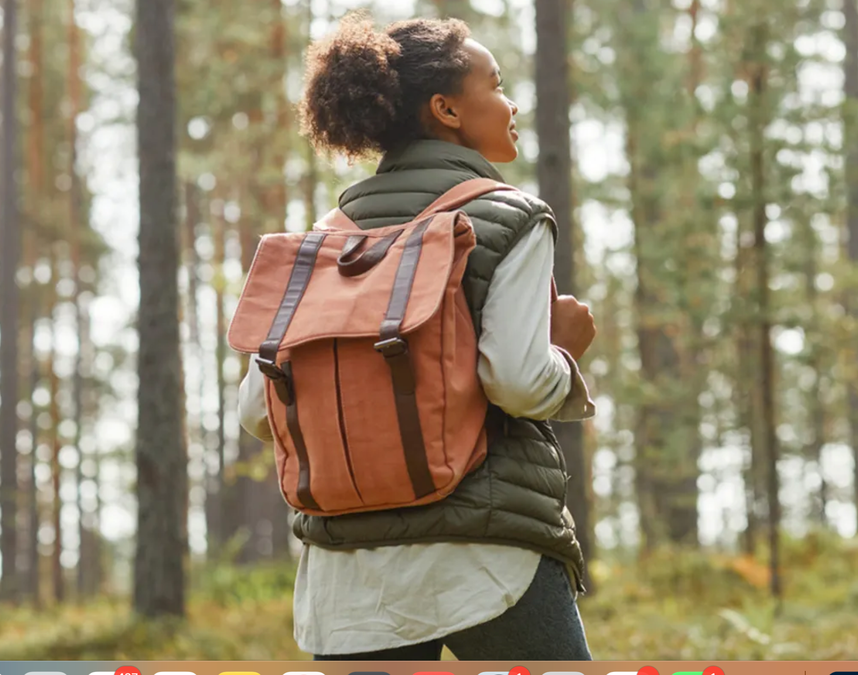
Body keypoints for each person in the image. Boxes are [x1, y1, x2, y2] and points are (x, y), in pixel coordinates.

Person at [237, 13, 597, 662]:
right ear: (447, 109)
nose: (511, 101)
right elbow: (516, 380)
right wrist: (565, 352)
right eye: (496, 83)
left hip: (347, 582)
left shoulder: (324, 239)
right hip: (489, 560)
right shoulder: (507, 215)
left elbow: (255, 409)